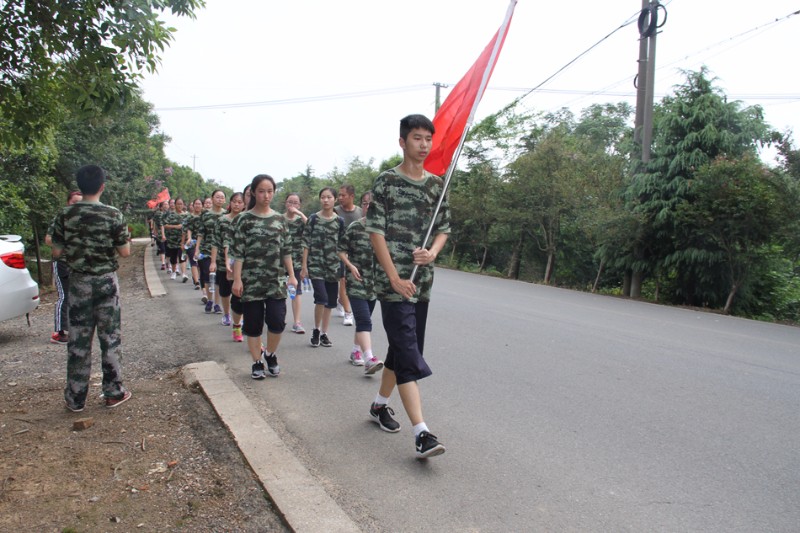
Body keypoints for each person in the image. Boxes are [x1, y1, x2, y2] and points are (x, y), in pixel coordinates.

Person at [365, 114, 450, 459]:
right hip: (393, 284)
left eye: (428, 139)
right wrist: (393, 278)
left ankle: (379, 405)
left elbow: (444, 227)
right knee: (409, 352)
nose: (424, 145)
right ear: (402, 142)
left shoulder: (435, 185)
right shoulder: (386, 182)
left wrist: (432, 252)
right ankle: (422, 433)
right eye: (417, 138)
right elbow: (375, 232)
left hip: (421, 282)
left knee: (402, 350)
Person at [50, 164, 132, 411]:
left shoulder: (65, 215)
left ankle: (75, 398)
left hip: (78, 283)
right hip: (106, 282)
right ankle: (113, 392)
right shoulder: (114, 214)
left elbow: (55, 251)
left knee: (78, 342)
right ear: (102, 186)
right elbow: (125, 252)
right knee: (110, 339)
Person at [231, 175, 297, 379]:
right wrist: (237, 279)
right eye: (261, 191)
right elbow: (239, 252)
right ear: (253, 192)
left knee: (277, 322)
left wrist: (292, 276)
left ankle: (270, 354)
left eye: (270, 191)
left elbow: (286, 250)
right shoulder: (244, 219)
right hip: (251, 282)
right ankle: (257, 362)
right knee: (253, 324)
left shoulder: (279, 220)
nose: (266, 195)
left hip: (275, 281)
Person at [337, 190, 384, 375]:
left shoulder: (383, 229)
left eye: (372, 204)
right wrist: (350, 265)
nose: (368, 207)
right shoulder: (355, 227)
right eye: (365, 204)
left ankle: (356, 351)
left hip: (374, 283)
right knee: (364, 320)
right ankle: (369, 359)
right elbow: (341, 249)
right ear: (361, 206)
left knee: (364, 321)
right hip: (356, 280)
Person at [301, 187, 345, 348]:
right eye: (323, 197)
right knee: (321, 298)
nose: (325, 200)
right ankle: (316, 330)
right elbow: (305, 242)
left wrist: (345, 266)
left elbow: (342, 246)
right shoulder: (313, 219)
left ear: (334, 200)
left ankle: (324, 333)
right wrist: (304, 266)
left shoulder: (339, 221)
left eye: (329, 197)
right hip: (316, 265)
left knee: (330, 302)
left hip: (333, 267)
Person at [45, 190, 83, 344]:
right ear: (68, 202)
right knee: (64, 296)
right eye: (74, 202)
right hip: (62, 263)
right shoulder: (61, 218)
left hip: (78, 264)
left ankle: (75, 328)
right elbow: (48, 239)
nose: (77, 205)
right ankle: (59, 332)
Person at [211, 192, 245, 328]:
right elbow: (215, 242)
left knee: (239, 292)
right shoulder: (222, 220)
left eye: (240, 202)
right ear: (230, 203)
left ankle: (239, 317)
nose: (237, 204)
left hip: (241, 263)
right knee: (225, 291)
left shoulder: (246, 220)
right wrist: (213, 262)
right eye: (234, 201)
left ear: (244, 205)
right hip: (223, 262)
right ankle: (226, 314)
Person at [334, 184, 362, 326]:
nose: (340, 198)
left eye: (343, 195)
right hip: (340, 252)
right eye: (339, 195)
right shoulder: (335, 211)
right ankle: (348, 313)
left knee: (350, 281)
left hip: (356, 253)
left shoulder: (360, 212)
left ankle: (340, 301)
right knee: (343, 279)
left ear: (352, 196)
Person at [195, 190, 226, 313]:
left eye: (222, 197)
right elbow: (200, 232)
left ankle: (217, 304)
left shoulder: (226, 214)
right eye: (217, 197)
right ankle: (209, 300)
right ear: (212, 199)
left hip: (221, 251)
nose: (219, 199)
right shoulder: (205, 214)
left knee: (218, 278)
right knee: (208, 275)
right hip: (207, 249)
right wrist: (197, 249)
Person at [284, 192, 308, 334]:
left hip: (297, 260)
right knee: (279, 291)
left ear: (299, 205)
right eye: (289, 202)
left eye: (295, 203)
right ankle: (278, 317)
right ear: (285, 203)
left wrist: (299, 213)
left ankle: (297, 322)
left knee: (296, 292)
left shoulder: (300, 220)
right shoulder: (280, 219)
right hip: (280, 260)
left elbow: (311, 226)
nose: (292, 205)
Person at [162, 197, 189, 281]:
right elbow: (165, 225)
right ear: (175, 205)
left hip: (183, 240)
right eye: (178, 204)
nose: (180, 206)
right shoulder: (171, 215)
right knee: (173, 258)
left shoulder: (186, 215)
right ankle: (174, 272)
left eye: (181, 204)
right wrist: (175, 227)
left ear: (183, 205)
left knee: (182, 257)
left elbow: (189, 227)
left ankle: (184, 274)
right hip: (172, 240)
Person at [184, 198, 204, 289]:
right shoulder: (189, 217)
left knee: (201, 263)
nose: (197, 205)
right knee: (193, 261)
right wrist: (189, 238)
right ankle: (196, 282)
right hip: (193, 242)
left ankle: (200, 278)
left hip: (203, 243)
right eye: (196, 204)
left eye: (199, 204)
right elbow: (189, 229)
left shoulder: (205, 216)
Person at [153, 200, 169, 270]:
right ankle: (163, 263)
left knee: (167, 248)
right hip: (160, 234)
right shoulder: (158, 214)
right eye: (164, 204)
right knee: (162, 248)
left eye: (167, 204)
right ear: (161, 207)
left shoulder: (169, 213)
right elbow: (156, 223)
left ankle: (167, 262)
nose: (166, 206)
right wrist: (155, 232)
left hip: (169, 233)